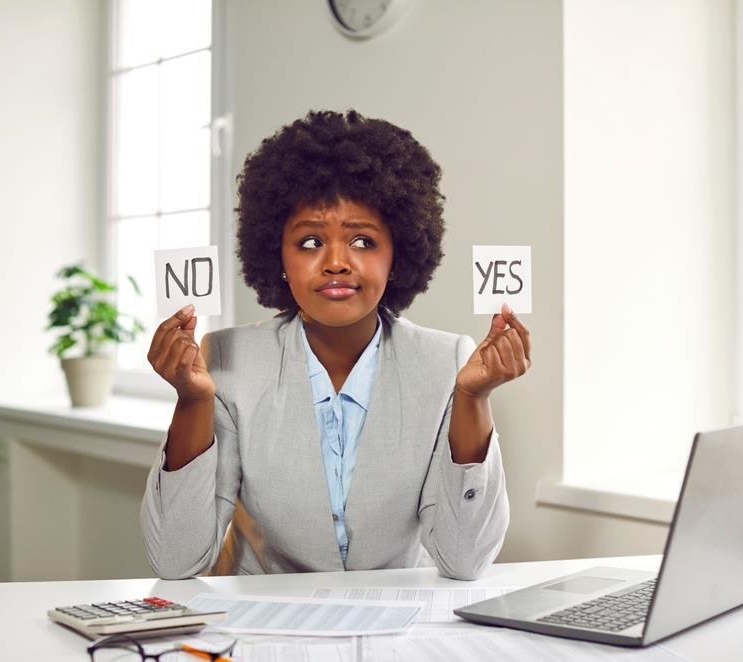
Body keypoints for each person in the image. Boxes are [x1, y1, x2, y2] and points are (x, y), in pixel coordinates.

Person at [140, 110, 530, 580]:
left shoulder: (445, 362)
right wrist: (192, 399)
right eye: (309, 242)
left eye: (363, 241)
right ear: (277, 256)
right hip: (264, 628)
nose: (337, 263)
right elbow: (176, 560)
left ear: (398, 255)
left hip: (399, 630)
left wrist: (472, 397)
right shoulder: (227, 359)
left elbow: (464, 560)